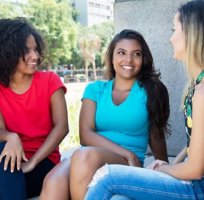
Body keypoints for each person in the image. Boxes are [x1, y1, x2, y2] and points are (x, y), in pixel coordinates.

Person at [85, 1, 204, 199]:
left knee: (107, 178)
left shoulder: (202, 92)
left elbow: (195, 171)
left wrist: (160, 170)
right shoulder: (196, 86)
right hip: (195, 182)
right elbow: (196, 143)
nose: (171, 38)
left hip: (197, 189)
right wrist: (171, 164)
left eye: (175, 30)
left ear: (191, 35)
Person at [41, 29, 170, 200]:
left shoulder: (152, 91)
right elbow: (85, 135)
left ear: (143, 58)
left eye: (136, 54)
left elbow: (156, 135)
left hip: (126, 163)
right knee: (53, 182)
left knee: (83, 156)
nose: (128, 60)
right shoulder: (95, 89)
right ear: (112, 57)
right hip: (95, 157)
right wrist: (126, 153)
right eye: (121, 53)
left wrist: (166, 173)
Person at [0, 17, 69, 200]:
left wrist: (33, 162)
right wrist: (12, 137)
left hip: (44, 162)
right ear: (6, 53)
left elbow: (62, 127)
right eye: (26, 51)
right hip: (10, 158)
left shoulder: (50, 81)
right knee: (2, 148)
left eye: (35, 49)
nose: (35, 56)